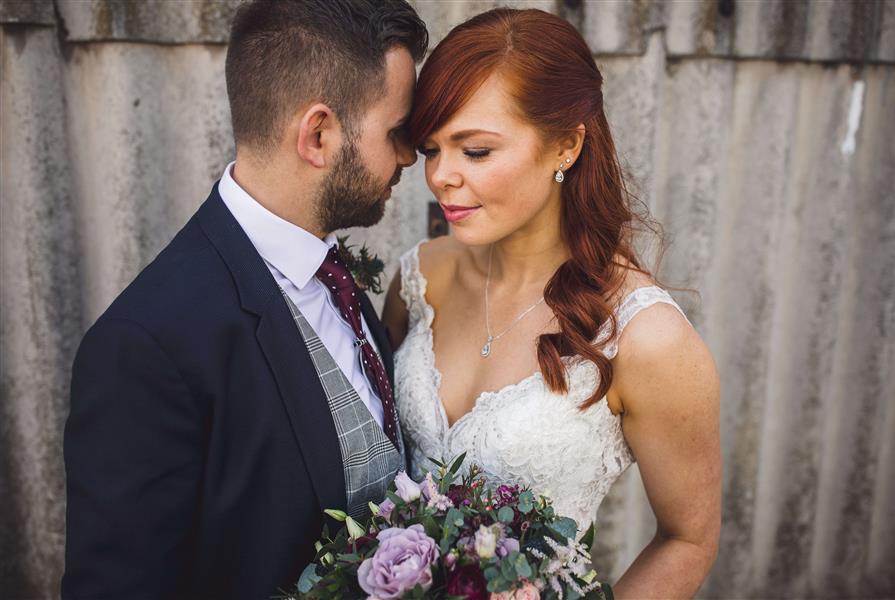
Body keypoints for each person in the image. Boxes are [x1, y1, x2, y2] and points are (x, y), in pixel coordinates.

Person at [62, 1, 427, 598]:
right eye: (397, 132)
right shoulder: (145, 347)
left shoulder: (337, 275)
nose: (410, 156)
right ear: (318, 135)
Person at [382, 8, 720, 598]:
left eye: (476, 151)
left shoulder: (647, 336)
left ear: (566, 145)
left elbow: (688, 540)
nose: (440, 176)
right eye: (432, 148)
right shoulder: (420, 277)